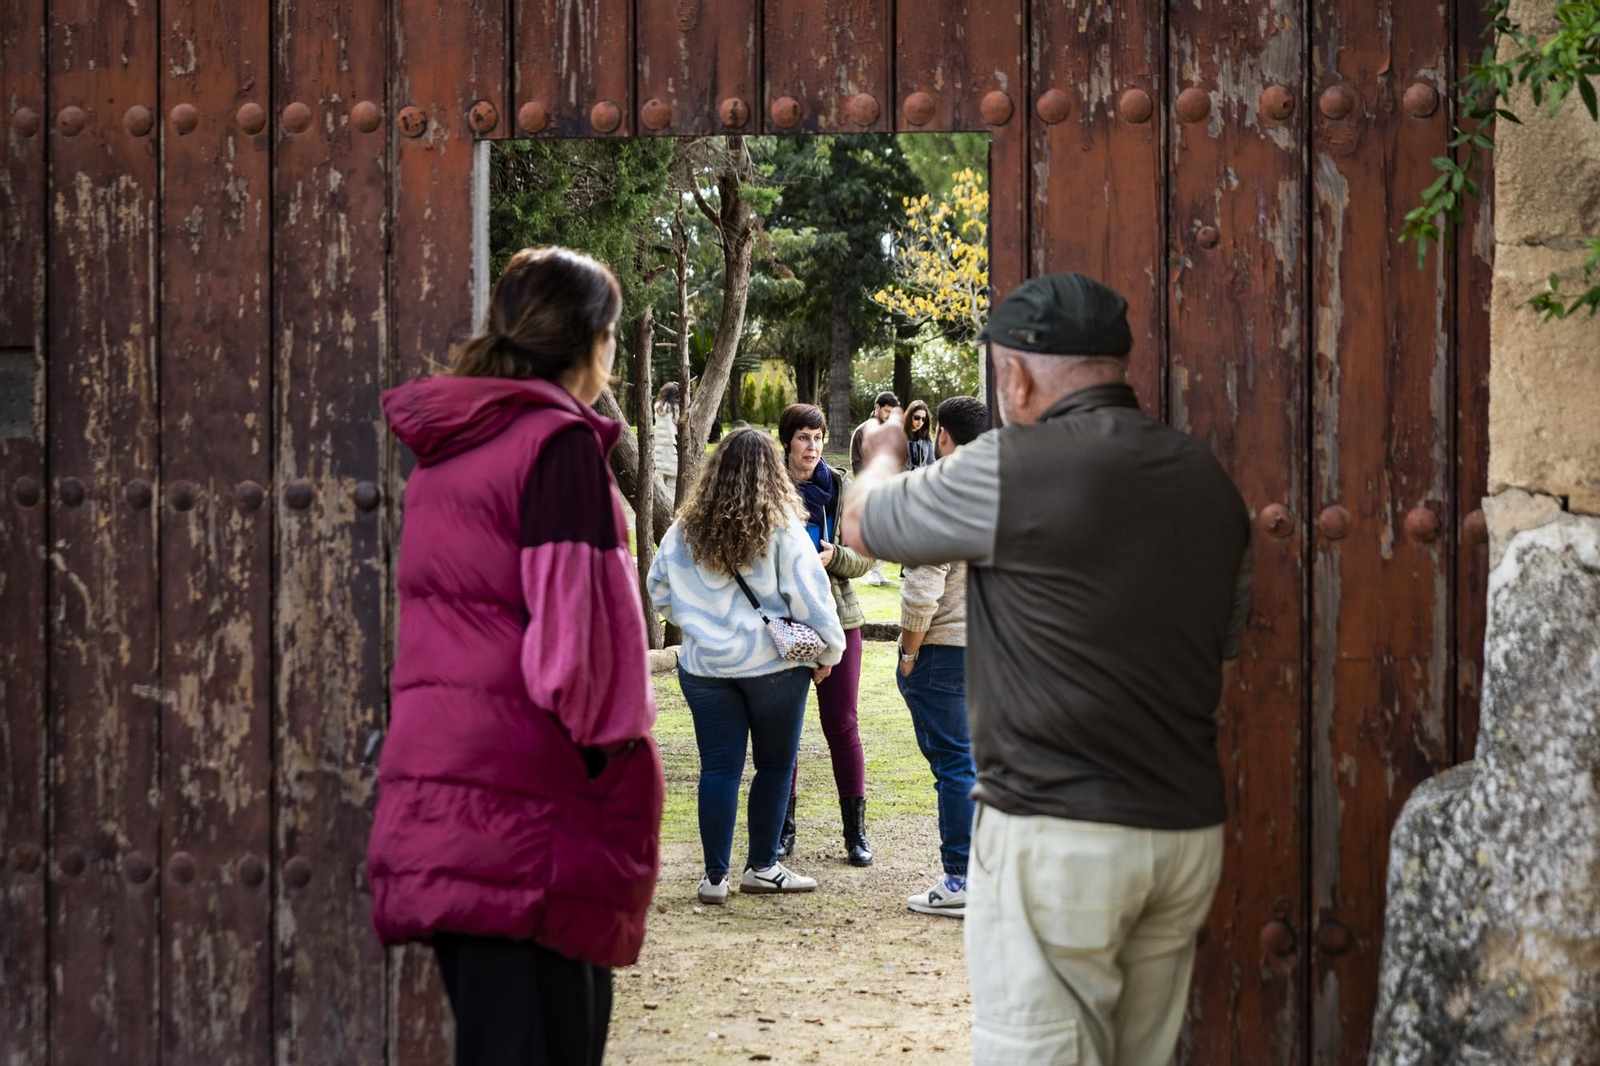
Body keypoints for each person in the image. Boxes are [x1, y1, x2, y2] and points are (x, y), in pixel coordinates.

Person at [842, 273, 1252, 1066]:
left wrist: (885, 452)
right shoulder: (1206, 480)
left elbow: (863, 525)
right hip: (1183, 831)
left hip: (1059, 832)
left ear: (1017, 375)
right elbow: (1220, 654)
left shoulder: (1010, 466)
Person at [368, 246, 664, 1066]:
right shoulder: (558, 445)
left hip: (448, 796)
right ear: (594, 342)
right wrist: (615, 769)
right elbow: (582, 660)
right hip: (532, 810)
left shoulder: (455, 445)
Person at [647, 428, 847, 904]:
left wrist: (699, 622)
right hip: (773, 668)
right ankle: (762, 865)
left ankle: (714, 877)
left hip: (705, 668)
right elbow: (813, 602)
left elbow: (659, 590)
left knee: (718, 769)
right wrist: (828, 653)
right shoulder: (782, 526)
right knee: (775, 766)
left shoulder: (685, 529)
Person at [895, 395, 988, 918]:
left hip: (945, 647)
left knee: (955, 766)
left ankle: (959, 879)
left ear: (944, 437)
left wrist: (908, 653)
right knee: (976, 764)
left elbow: (922, 588)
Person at [777, 403, 876, 867]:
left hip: (839, 619)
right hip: (782, 623)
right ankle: (782, 830)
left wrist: (833, 556)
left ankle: (855, 834)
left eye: (817, 437)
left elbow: (867, 558)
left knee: (842, 725)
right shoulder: (767, 485)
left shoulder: (840, 489)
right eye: (802, 437)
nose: (812, 446)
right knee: (785, 731)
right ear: (787, 441)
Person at [850, 390, 900, 587]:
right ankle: (871, 572)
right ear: (877, 408)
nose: (889, 415)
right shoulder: (862, 431)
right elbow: (857, 463)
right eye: (886, 411)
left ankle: (878, 571)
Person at [654, 382, 681, 500]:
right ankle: (669, 503)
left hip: (661, 450)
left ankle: (665, 500)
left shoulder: (659, 407)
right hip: (672, 448)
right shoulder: (675, 409)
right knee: (673, 481)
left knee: (666, 478)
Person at [903, 399, 936, 471]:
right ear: (909, 416)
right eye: (917, 418)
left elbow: (931, 462)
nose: (920, 422)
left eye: (923, 419)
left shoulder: (926, 437)